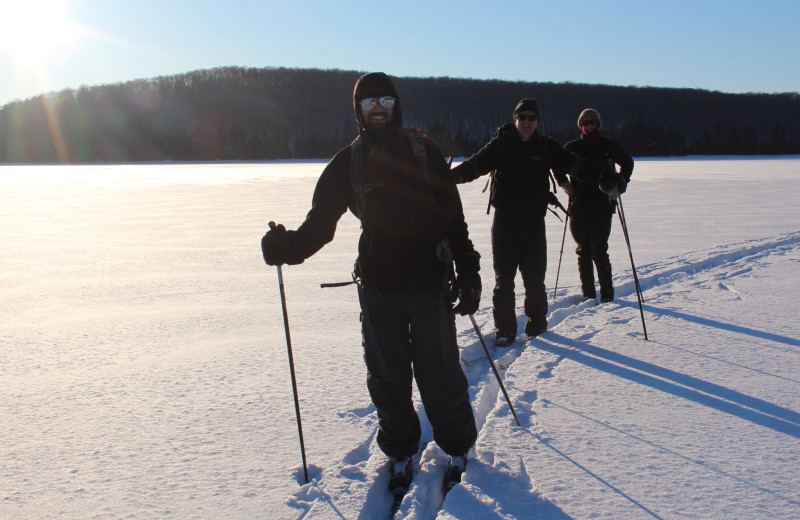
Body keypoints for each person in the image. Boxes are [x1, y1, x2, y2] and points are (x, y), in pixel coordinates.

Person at [260, 72, 480, 494]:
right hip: (379, 289)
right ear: (358, 110)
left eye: (385, 100)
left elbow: (454, 220)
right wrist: (287, 247)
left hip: (430, 285)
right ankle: (401, 453)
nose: (378, 108)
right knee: (387, 378)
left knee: (440, 375)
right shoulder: (350, 161)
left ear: (396, 105)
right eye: (368, 102)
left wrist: (468, 272)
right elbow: (320, 225)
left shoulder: (424, 152)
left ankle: (457, 449)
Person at [451, 99, 607, 347]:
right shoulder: (501, 145)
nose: (526, 121)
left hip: (534, 223)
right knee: (504, 280)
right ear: (515, 119)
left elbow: (575, 164)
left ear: (537, 121)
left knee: (534, 279)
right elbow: (475, 165)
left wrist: (605, 176)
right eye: (522, 117)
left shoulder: (546, 146)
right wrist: (449, 178)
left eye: (531, 117)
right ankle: (505, 329)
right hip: (505, 223)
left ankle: (537, 323)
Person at [555, 108, 634, 303]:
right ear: (581, 125)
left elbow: (628, 163)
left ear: (598, 124)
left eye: (593, 122)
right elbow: (557, 165)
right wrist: (565, 184)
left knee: (599, 249)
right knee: (583, 250)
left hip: (602, 204)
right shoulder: (572, 147)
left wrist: (619, 183)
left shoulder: (609, 145)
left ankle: (607, 296)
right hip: (578, 203)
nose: (589, 126)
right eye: (586, 123)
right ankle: (588, 295)